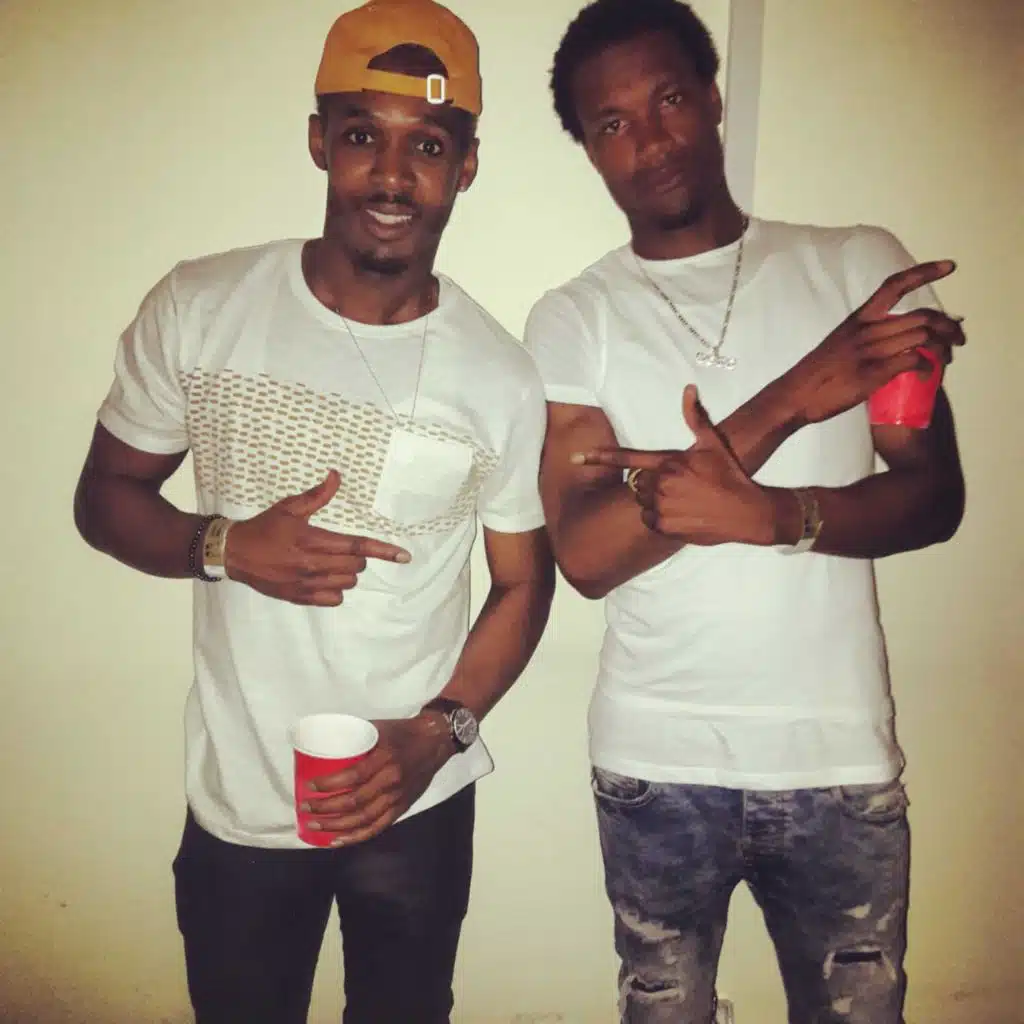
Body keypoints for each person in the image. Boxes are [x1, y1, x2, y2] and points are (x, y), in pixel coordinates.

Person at [73, 2, 555, 1021]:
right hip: (243, 800)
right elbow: (104, 498)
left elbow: (523, 582)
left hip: (415, 798)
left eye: (428, 145)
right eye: (362, 136)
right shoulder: (202, 307)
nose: (393, 175)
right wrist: (221, 545)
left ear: (466, 166)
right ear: (318, 142)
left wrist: (439, 733)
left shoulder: (501, 376)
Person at [524, 1, 966, 1021]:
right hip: (654, 762)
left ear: (713, 98)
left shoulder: (858, 267)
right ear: (587, 147)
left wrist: (771, 516)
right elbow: (586, 553)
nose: (650, 139)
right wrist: (796, 396)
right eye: (612, 123)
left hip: (836, 756)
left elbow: (933, 497)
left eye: (669, 99)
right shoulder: (573, 318)